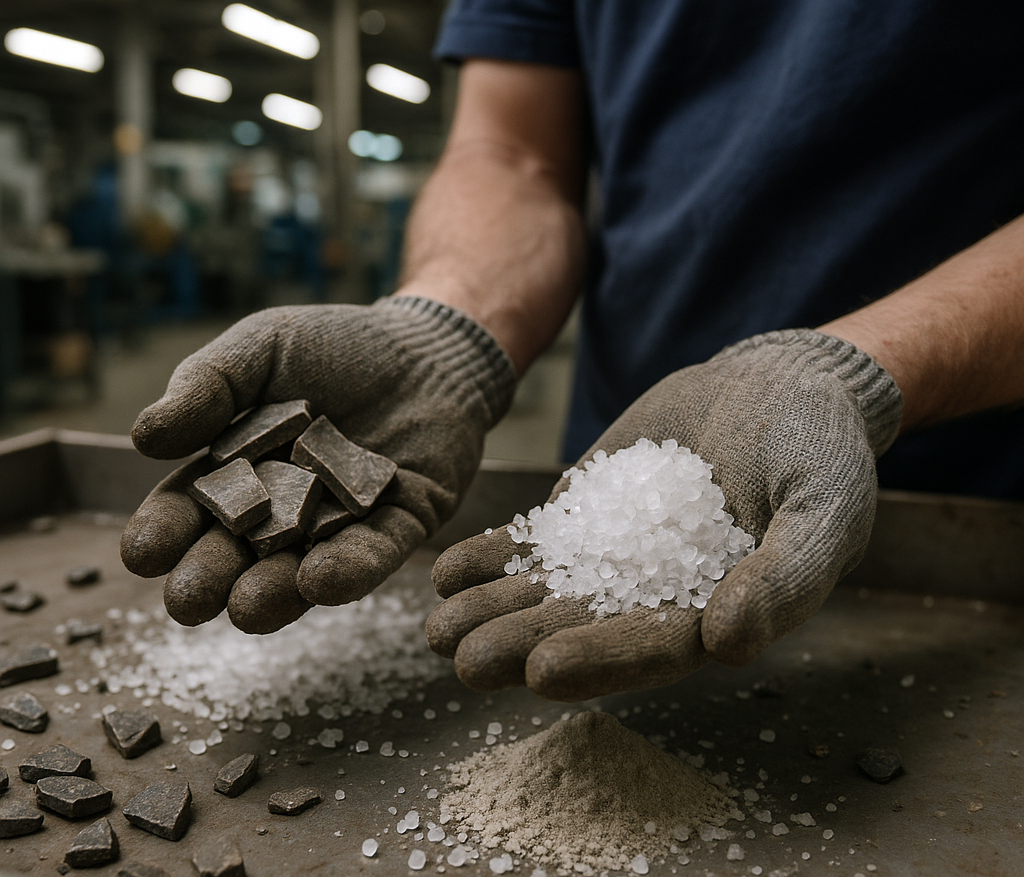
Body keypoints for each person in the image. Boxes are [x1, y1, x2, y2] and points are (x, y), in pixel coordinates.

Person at [121, 2, 1024, 703]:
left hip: (975, 531)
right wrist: (444, 332)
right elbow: (512, 153)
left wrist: (855, 371)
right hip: (629, 451)